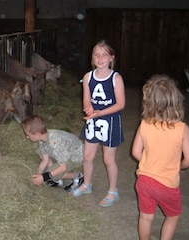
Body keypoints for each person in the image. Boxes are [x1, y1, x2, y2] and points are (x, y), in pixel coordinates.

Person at [131, 74, 189, 240]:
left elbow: (136, 152)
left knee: (145, 217)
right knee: (173, 215)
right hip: (168, 185)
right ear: (176, 100)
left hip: (144, 182)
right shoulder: (182, 129)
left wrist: (149, 161)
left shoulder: (145, 124)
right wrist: (178, 166)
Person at [70, 40, 125, 208]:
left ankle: (113, 191)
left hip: (110, 121)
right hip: (93, 121)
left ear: (111, 58)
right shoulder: (88, 77)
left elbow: (120, 104)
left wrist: (99, 113)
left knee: (108, 159)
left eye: (104, 55)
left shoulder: (116, 78)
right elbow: (86, 99)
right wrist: (88, 108)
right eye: (96, 55)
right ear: (92, 58)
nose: (100, 58)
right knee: (87, 156)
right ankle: (86, 184)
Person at [21, 115, 84, 191]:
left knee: (50, 173)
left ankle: (78, 176)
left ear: (37, 134)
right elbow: (45, 160)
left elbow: (63, 167)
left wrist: (44, 177)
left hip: (77, 156)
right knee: (42, 155)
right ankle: (56, 178)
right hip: (66, 152)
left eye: (28, 135)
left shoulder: (55, 143)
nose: (27, 137)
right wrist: (38, 174)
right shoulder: (42, 138)